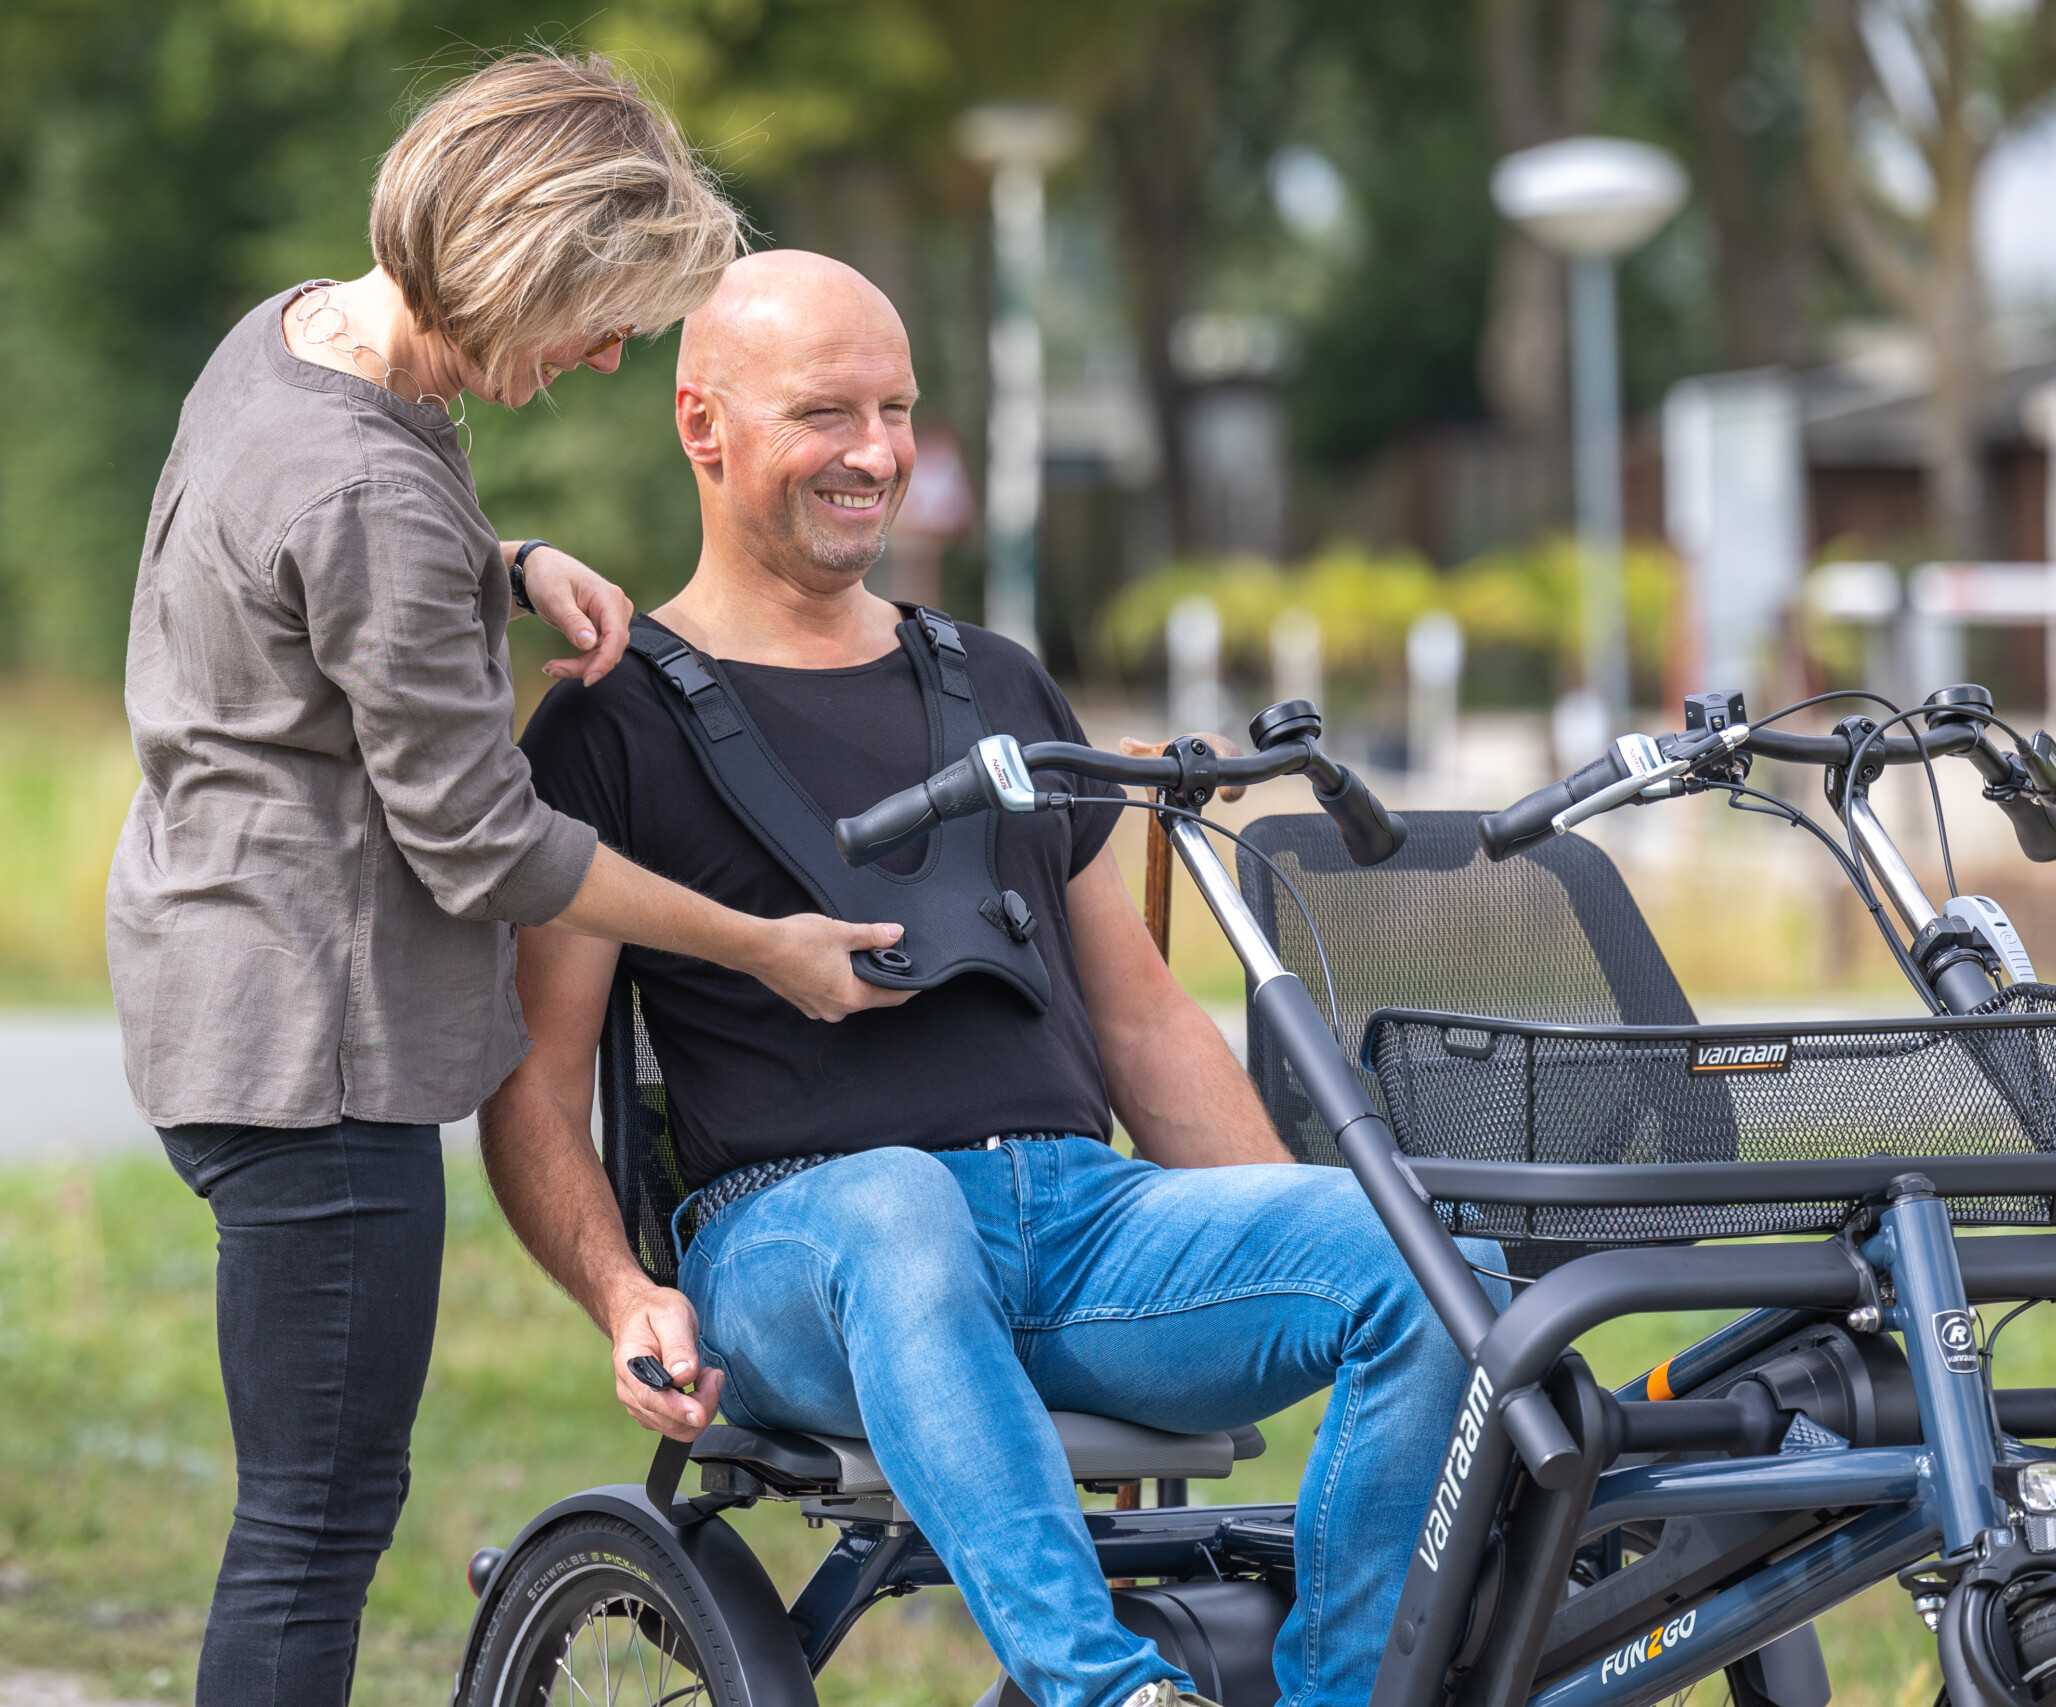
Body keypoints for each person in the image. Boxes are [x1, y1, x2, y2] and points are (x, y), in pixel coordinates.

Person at [479, 250, 1504, 1707]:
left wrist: (1289, 1224)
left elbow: (1142, 1022)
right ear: (704, 428)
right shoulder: (612, 718)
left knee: (1432, 1259)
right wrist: (620, 1296)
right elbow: (531, 1090)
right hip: (800, 1248)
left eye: (897, 410)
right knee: (897, 1205)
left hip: (1082, 1228)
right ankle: (1106, 1694)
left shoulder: (1003, 686)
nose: (877, 453)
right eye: (827, 412)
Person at [106, 62, 912, 1707]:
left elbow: (304, 555)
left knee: (307, 1511)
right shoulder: (373, 489)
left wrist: (509, 564)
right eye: (598, 319)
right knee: (316, 1526)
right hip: (308, 1053)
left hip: (206, 968)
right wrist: (761, 943)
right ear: (514, 270)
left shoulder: (294, 337)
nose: (609, 357)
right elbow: (493, 846)